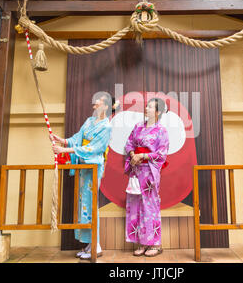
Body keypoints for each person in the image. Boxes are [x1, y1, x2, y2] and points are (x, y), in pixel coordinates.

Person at [51, 93, 117, 260]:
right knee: (83, 203)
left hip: (94, 166)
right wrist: (62, 141)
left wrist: (65, 151)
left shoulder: (106, 127)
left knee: (90, 203)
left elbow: (95, 149)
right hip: (84, 166)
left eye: (99, 101)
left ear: (106, 106)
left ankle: (97, 244)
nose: (95, 103)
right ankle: (89, 244)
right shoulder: (89, 121)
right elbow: (77, 139)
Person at [124, 98, 170, 257]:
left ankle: (155, 244)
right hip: (136, 170)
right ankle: (142, 243)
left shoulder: (161, 130)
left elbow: (161, 154)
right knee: (136, 205)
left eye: (150, 106)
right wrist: (132, 154)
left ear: (157, 112)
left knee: (150, 206)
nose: (147, 108)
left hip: (149, 171)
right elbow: (129, 143)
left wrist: (142, 155)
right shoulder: (138, 126)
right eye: (147, 105)